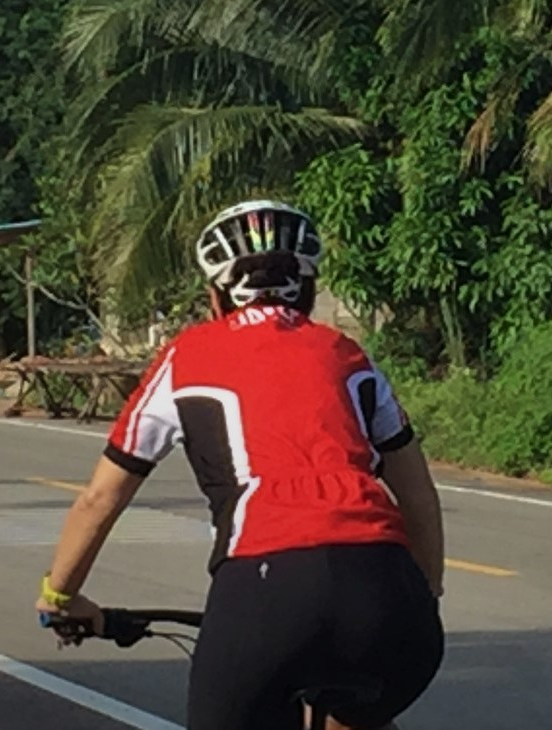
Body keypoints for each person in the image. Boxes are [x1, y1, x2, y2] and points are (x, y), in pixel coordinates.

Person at [36, 201, 445, 730]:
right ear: (308, 289)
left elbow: (101, 497)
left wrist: (60, 595)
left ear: (215, 296)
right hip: (390, 594)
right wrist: (423, 598)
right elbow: (418, 496)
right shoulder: (347, 353)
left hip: (265, 585)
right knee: (359, 708)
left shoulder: (187, 356)